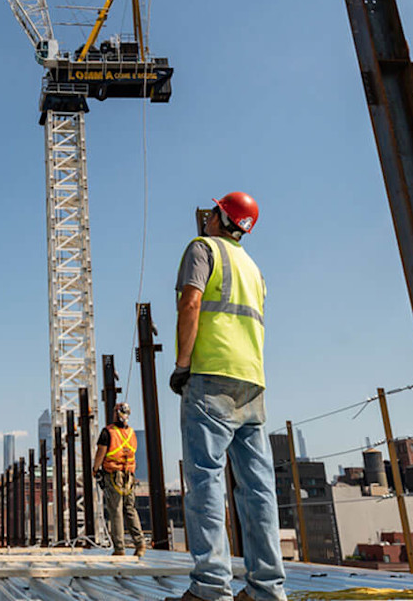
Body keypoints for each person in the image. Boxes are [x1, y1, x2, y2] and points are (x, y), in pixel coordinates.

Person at [168, 192, 284, 601]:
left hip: (211, 378)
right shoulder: (254, 268)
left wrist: (183, 365)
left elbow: (191, 302)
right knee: (257, 488)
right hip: (251, 381)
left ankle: (211, 587)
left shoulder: (203, 248)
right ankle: (266, 588)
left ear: (219, 217)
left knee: (205, 482)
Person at [93, 400, 144, 556]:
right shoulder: (132, 433)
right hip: (129, 475)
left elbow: (101, 453)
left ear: (116, 414)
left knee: (116, 510)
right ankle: (140, 544)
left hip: (113, 475)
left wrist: (95, 470)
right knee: (130, 509)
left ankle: (119, 548)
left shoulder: (108, 432)